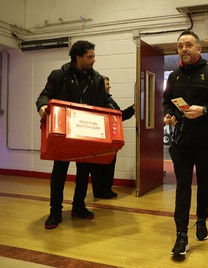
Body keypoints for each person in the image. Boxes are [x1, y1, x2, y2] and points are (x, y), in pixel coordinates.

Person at [163, 30, 208, 256]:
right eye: (180, 46)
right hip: (181, 142)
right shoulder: (173, 77)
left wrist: (203, 110)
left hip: (206, 142)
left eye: (189, 45)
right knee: (182, 186)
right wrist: (168, 114)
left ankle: (201, 219)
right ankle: (181, 235)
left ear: (199, 48)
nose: (184, 49)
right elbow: (167, 102)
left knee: (204, 184)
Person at [36, 40, 108, 229]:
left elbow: (102, 105)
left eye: (93, 56)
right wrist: (42, 106)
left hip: (87, 131)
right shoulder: (58, 75)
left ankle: (78, 206)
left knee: (84, 172)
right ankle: (55, 212)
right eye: (90, 56)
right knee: (59, 171)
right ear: (78, 57)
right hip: (64, 133)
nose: (94, 59)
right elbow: (44, 95)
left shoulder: (97, 79)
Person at [91, 76, 135, 199]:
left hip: (111, 138)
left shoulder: (110, 100)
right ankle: (99, 191)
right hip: (99, 139)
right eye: (107, 84)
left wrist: (132, 108)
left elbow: (119, 115)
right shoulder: (95, 100)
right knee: (98, 166)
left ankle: (107, 189)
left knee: (110, 163)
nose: (109, 86)